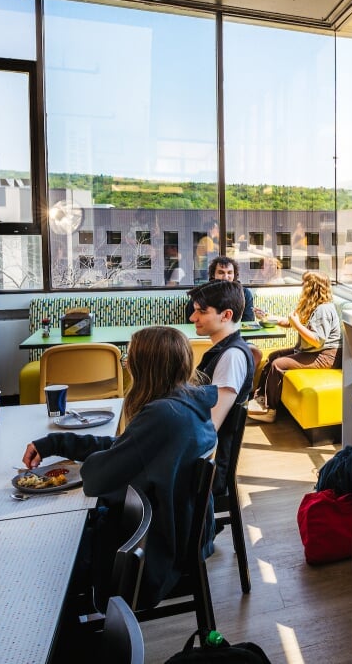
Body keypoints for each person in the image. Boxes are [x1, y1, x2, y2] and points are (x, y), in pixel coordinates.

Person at [21, 326, 217, 610]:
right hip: (172, 538)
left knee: (52, 548)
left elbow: (96, 480)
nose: (126, 364)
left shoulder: (162, 416)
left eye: (129, 358)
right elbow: (124, 447)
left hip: (148, 555)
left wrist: (83, 463)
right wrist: (56, 443)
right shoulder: (185, 405)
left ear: (146, 367)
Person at [188, 279, 256, 496]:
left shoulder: (231, 357)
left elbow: (210, 427)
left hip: (209, 472)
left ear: (226, 315)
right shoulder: (222, 351)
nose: (193, 317)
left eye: (201, 311)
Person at [247, 272, 341, 423]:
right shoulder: (310, 305)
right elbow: (288, 322)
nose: (301, 287)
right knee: (273, 356)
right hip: (311, 351)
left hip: (325, 355)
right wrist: (266, 316)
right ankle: (261, 397)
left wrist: (297, 325)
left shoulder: (323, 309)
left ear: (312, 287)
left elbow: (318, 341)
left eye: (304, 284)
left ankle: (270, 410)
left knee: (278, 365)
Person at [184, 254, 255, 322]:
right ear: (213, 275)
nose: (226, 277)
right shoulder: (202, 292)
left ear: (234, 275)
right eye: (221, 272)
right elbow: (190, 318)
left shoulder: (244, 293)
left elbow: (248, 320)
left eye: (229, 273)